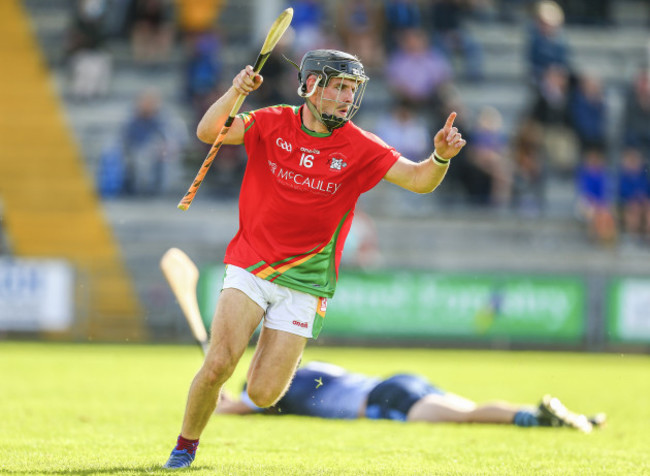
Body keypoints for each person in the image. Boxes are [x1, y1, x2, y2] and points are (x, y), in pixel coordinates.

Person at [162, 48, 466, 469]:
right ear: (309, 86)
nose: (346, 97)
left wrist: (440, 158)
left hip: (306, 283)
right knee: (217, 366)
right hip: (251, 264)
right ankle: (185, 447)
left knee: (264, 394)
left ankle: (269, 347)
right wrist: (236, 91)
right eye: (338, 86)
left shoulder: (359, 145)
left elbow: (418, 180)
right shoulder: (271, 121)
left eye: (352, 89)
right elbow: (209, 131)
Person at [216, 361, 606, 433]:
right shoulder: (310, 368)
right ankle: (570, 418)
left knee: (467, 416)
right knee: (467, 409)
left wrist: (219, 391)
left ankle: (536, 418)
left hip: (386, 399)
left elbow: (239, 407)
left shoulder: (276, 393)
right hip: (399, 381)